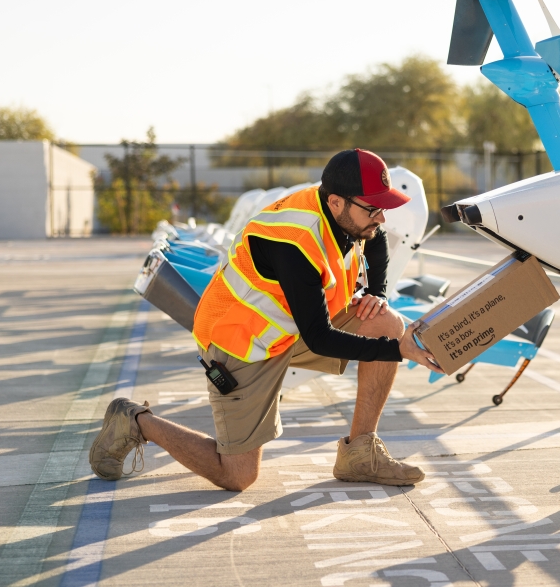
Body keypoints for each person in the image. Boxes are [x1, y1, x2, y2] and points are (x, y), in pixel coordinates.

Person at [89, 149, 441, 491]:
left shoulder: (342, 210)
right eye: (373, 209)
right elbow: (319, 337)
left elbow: (376, 239)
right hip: (241, 343)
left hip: (287, 328)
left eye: (383, 208)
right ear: (336, 202)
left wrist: (378, 293)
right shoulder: (295, 243)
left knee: (384, 322)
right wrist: (399, 350)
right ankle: (136, 421)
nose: (381, 218)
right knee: (237, 476)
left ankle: (360, 456)